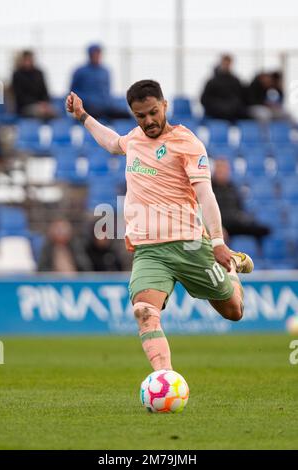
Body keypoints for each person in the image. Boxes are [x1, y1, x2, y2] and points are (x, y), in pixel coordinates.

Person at [66, 80, 254, 372]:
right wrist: (83, 117)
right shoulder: (135, 140)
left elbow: (205, 193)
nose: (149, 121)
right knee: (143, 311)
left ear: (164, 105)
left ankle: (232, 270)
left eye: (153, 112)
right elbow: (112, 143)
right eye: (141, 116)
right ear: (133, 114)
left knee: (234, 312)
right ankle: (163, 380)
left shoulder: (187, 143)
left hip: (191, 246)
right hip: (149, 252)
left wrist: (217, 241)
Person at [212, 159, 271, 241]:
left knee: (263, 229)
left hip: (235, 221)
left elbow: (240, 207)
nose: (222, 171)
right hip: (220, 223)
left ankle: (258, 251)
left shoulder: (232, 187)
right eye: (219, 168)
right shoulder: (209, 188)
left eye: (224, 169)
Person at [70, 44, 130, 121]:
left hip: (105, 107)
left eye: (98, 53)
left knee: (126, 114)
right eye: (94, 53)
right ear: (89, 55)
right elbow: (73, 92)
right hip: (89, 107)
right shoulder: (80, 71)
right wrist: (88, 101)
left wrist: (107, 103)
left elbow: (107, 92)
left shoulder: (105, 71)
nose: (96, 56)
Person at [200, 54, 248, 122]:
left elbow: (241, 97)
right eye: (225, 63)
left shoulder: (235, 81)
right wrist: (219, 106)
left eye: (228, 64)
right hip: (216, 113)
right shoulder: (212, 81)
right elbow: (204, 99)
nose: (227, 66)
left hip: (232, 112)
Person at [12, 50, 57, 119]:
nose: (28, 62)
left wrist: (45, 103)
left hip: (41, 106)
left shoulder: (39, 73)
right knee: (41, 112)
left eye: (29, 59)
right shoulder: (17, 75)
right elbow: (20, 97)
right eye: (26, 60)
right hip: (24, 107)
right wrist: (37, 104)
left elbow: (45, 92)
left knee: (55, 112)